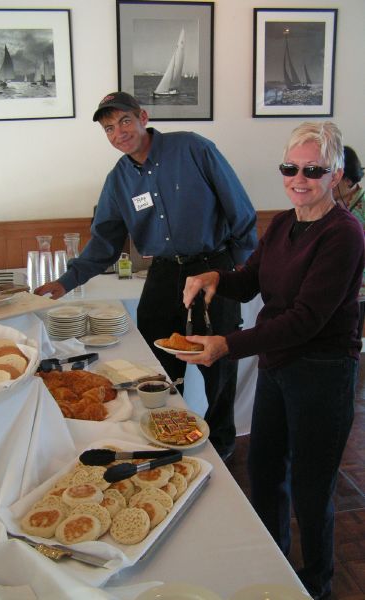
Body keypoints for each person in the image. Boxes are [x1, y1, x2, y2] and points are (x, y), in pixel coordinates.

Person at [177, 122, 364, 599]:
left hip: (322, 373)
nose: (298, 178)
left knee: (311, 487)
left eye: (313, 169)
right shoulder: (284, 222)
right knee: (264, 473)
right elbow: (251, 279)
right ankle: (273, 568)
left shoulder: (344, 234)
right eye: (290, 167)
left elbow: (305, 320)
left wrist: (227, 345)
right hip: (278, 368)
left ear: (336, 172)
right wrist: (216, 276)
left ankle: (318, 584)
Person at [35, 91, 258, 460]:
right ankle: (171, 437)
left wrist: (233, 265)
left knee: (217, 364)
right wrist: (64, 282)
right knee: (157, 365)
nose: (118, 132)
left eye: (124, 121)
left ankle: (221, 447)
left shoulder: (192, 149)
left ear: (143, 116)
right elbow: (104, 239)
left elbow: (241, 211)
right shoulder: (119, 179)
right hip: (164, 273)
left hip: (212, 268)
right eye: (109, 128)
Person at [333, 145, 365, 338]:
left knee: (349, 338)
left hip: (357, 289)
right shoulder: (336, 206)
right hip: (339, 286)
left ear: (347, 180)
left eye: (334, 179)